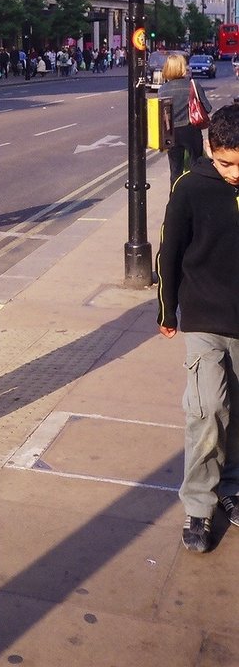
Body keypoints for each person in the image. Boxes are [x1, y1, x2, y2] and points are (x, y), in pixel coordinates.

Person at [157, 103, 239, 554]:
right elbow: (170, 253)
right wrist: (168, 310)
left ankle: (232, 485)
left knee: (237, 411)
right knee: (207, 409)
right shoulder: (190, 188)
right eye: (226, 162)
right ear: (210, 148)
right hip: (205, 317)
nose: (233, 173)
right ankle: (199, 507)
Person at [158, 53, 212, 190]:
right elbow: (207, 107)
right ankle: (196, 195)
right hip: (190, 130)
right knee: (196, 166)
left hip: (171, 133)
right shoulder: (192, 85)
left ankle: (175, 197)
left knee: (175, 170)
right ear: (183, 67)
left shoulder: (162, 90)